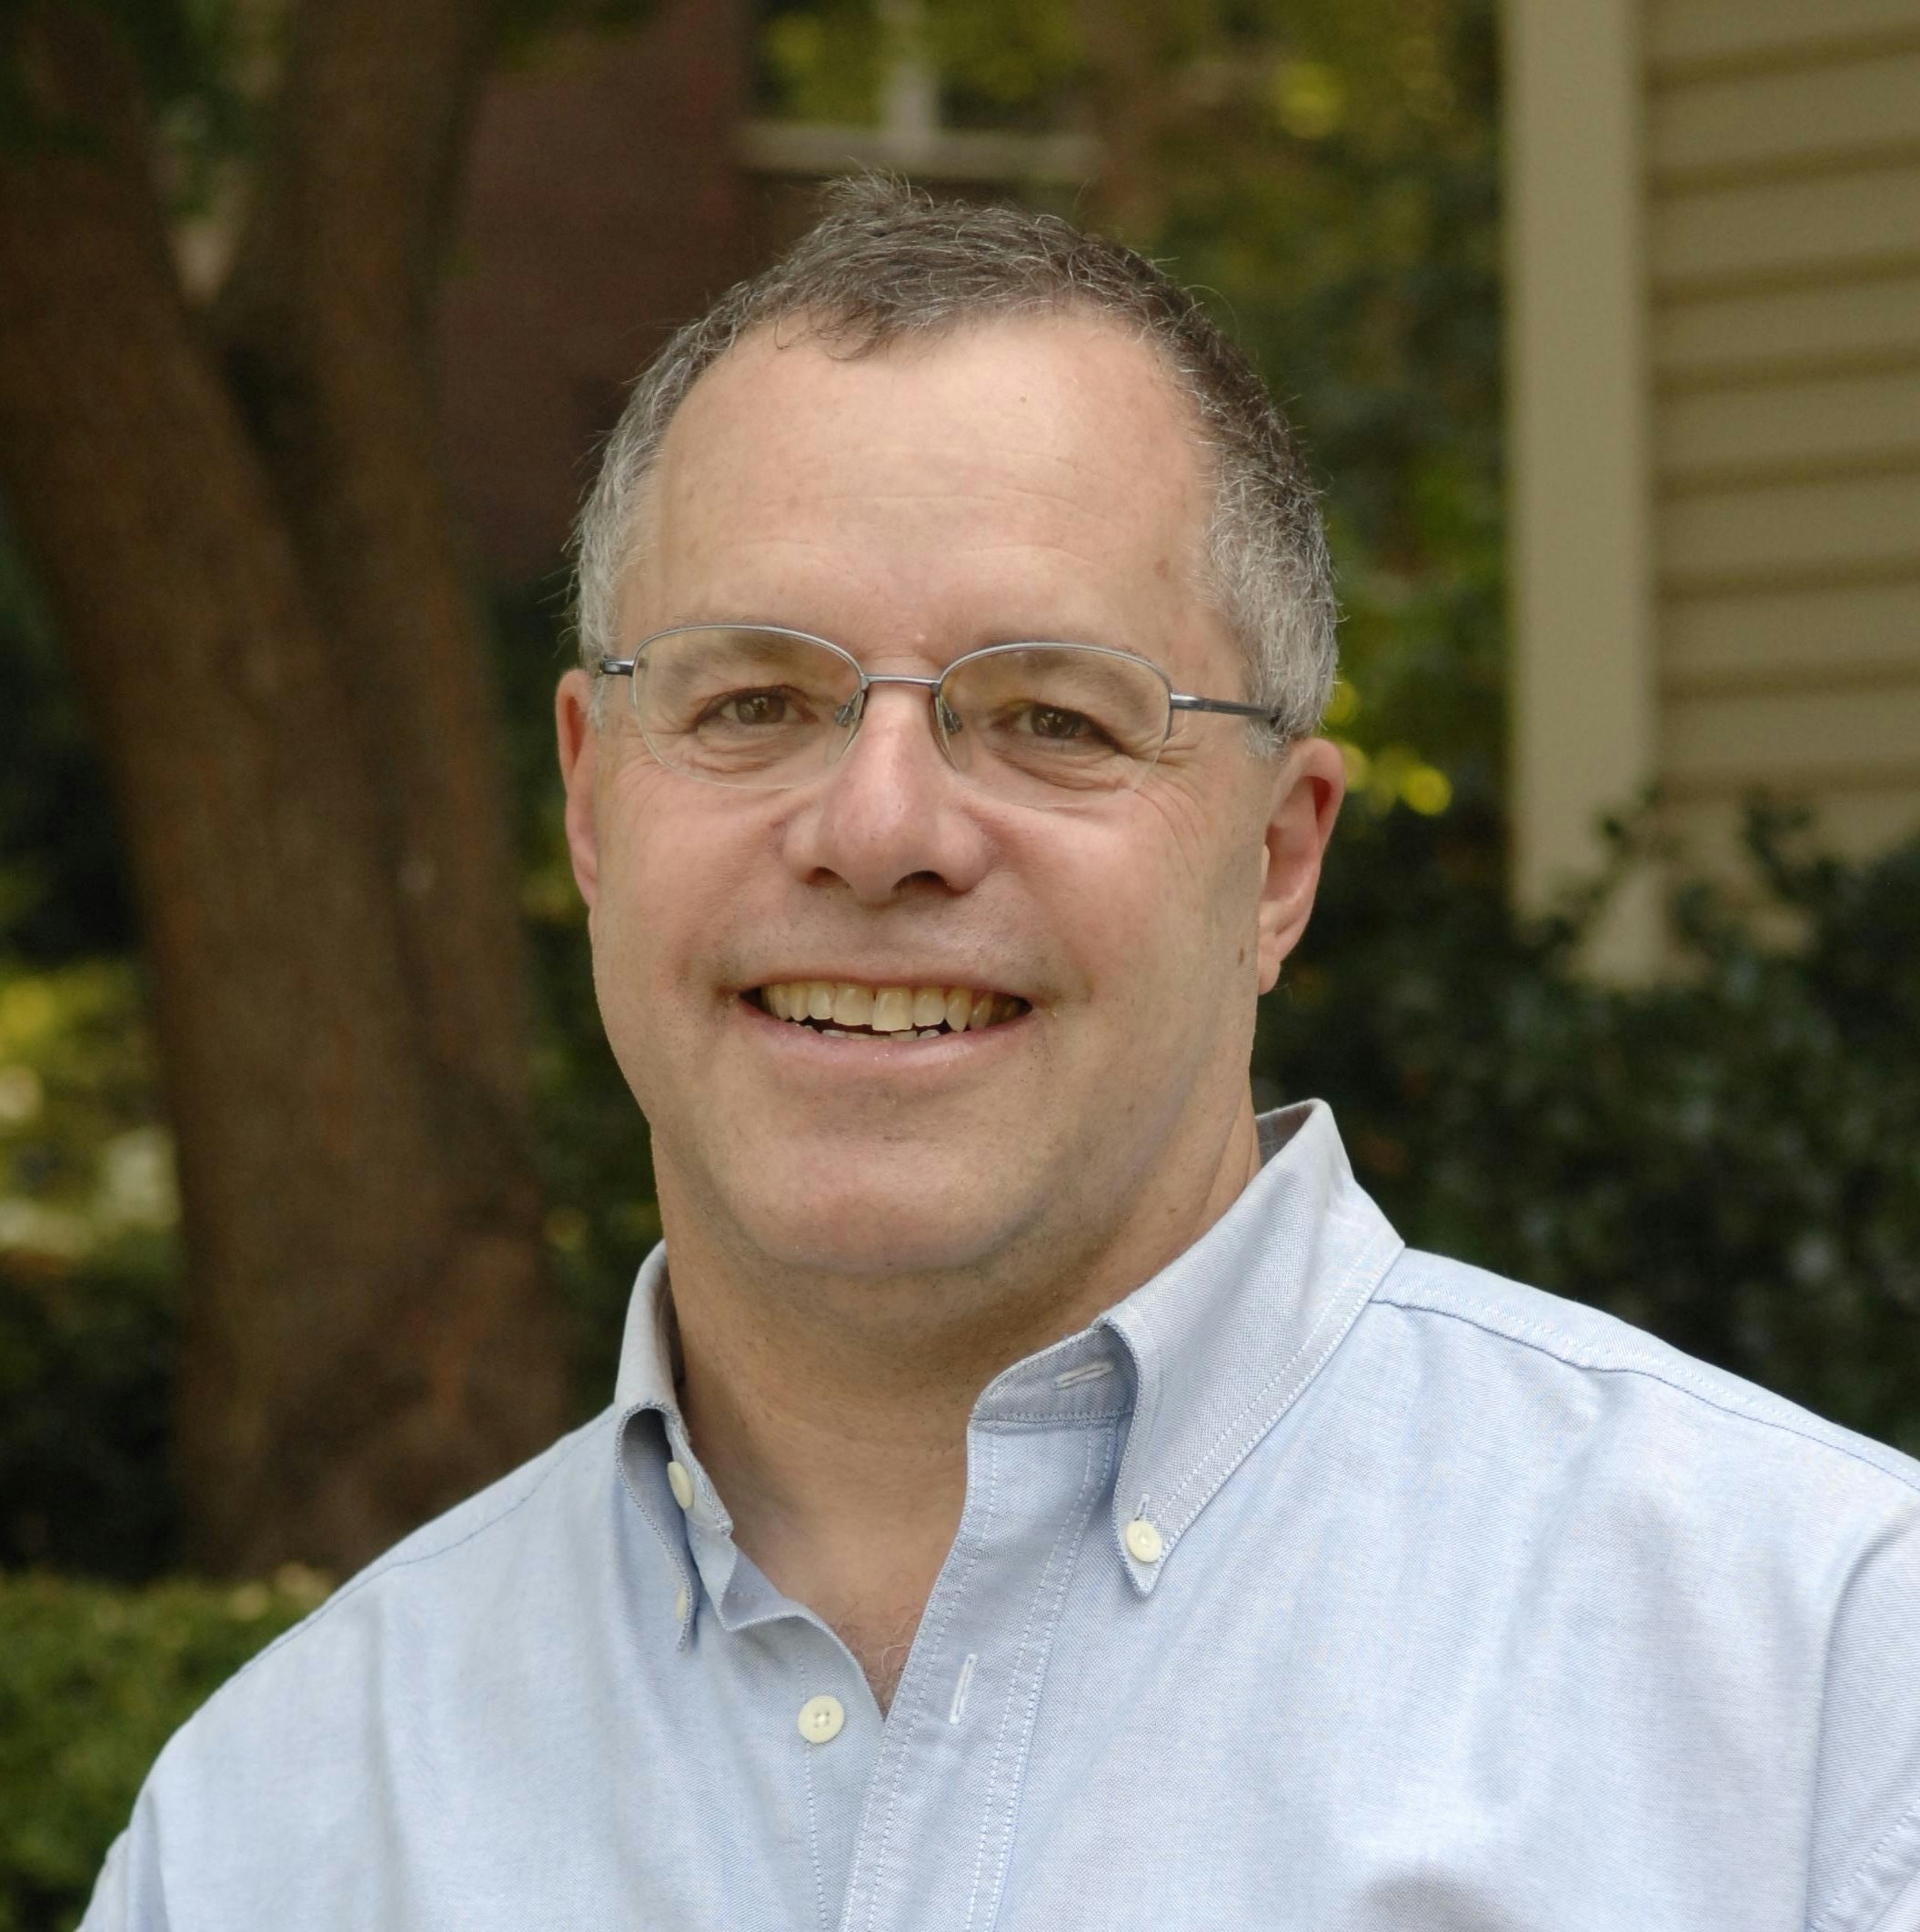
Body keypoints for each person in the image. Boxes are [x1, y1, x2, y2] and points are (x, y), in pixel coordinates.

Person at [85, 178, 1919, 1932]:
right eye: (753, 702)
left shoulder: (1821, 1691)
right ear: (589, 801)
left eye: (1051, 714)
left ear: (1278, 859)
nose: (879, 828)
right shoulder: (279, 1822)